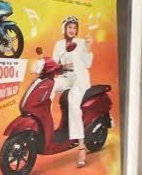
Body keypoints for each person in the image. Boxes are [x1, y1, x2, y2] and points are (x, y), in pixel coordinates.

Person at [49, 15, 94, 168]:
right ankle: (47, 126)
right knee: (49, 88)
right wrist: (60, 67)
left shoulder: (80, 42)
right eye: (70, 27)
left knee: (73, 104)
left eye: (74, 28)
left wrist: (88, 47)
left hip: (79, 79)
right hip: (65, 77)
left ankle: (81, 146)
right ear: (64, 28)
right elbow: (54, 64)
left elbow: (87, 64)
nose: (72, 30)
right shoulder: (58, 44)